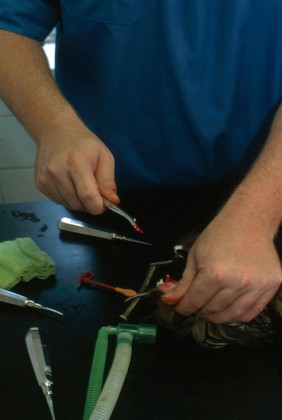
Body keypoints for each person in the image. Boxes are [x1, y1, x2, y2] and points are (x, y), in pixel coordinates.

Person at [0, 1, 282, 325]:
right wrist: (54, 127)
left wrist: (259, 210)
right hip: (105, 192)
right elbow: (8, 25)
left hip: (266, 190)